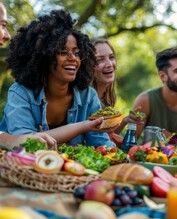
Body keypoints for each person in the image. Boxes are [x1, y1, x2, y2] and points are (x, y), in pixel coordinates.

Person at [0, 9, 116, 147]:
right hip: (16, 167)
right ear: (44, 56)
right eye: (63, 52)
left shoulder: (88, 96)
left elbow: (101, 144)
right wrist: (84, 126)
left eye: (77, 52)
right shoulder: (21, 92)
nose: (73, 58)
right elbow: (27, 143)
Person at [0, 0, 56, 149]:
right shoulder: (20, 92)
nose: (7, 36)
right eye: (3, 25)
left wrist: (12, 140)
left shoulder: (87, 95)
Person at [91, 38, 143, 146]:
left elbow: (105, 135)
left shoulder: (107, 98)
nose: (109, 64)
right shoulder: (85, 99)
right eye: (100, 60)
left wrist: (124, 121)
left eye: (111, 57)